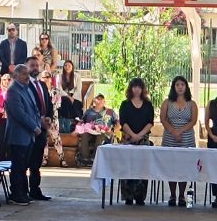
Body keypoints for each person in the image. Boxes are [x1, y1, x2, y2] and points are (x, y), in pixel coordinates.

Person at [3, 64, 41, 205]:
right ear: (16, 76)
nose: (27, 77)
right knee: (18, 166)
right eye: (24, 74)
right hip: (18, 136)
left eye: (28, 74)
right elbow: (20, 114)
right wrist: (34, 127)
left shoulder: (26, 89)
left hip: (28, 135)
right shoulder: (13, 91)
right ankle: (16, 194)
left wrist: (38, 124)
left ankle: (23, 192)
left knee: (23, 166)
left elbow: (34, 109)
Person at [159, 76, 198, 206]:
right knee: (171, 167)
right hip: (170, 138)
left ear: (186, 87)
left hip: (186, 139)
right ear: (173, 87)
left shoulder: (192, 104)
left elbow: (193, 120)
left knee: (183, 167)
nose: (180, 87)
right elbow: (163, 119)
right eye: (177, 85)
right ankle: (172, 194)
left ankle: (182, 195)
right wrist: (174, 131)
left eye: (182, 84)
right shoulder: (167, 102)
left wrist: (180, 131)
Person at [117, 77, 154, 206]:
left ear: (142, 89)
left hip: (143, 139)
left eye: (139, 87)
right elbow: (123, 122)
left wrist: (139, 135)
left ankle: (140, 196)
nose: (137, 89)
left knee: (142, 167)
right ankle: (128, 196)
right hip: (128, 139)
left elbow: (150, 122)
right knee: (127, 166)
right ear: (130, 88)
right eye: (134, 87)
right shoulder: (125, 104)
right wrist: (132, 135)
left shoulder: (148, 105)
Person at [25, 56, 53, 199]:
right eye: (32, 65)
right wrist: (38, 121)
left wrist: (49, 117)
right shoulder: (25, 85)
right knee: (26, 161)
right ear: (26, 67)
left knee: (36, 162)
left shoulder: (42, 85)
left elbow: (48, 103)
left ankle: (35, 190)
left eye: (37, 65)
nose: (35, 68)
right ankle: (23, 191)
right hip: (29, 129)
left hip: (42, 129)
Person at [76, 94, 116, 167]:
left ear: (104, 101)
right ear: (95, 101)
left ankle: (95, 158)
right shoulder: (89, 111)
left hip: (105, 132)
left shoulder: (109, 111)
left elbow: (117, 123)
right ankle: (86, 158)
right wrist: (77, 128)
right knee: (84, 134)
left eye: (101, 99)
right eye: (98, 99)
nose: (99, 101)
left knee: (101, 135)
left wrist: (113, 131)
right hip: (90, 131)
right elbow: (82, 121)